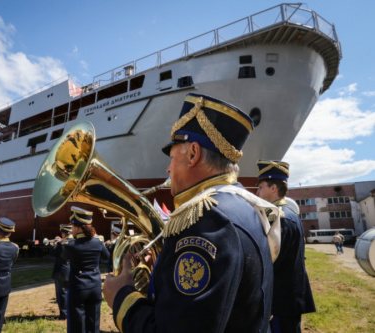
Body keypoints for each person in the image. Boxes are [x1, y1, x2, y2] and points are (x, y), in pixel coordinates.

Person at [103, 93, 279, 333]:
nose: (168, 168)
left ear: (194, 154)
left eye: (173, 157)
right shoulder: (246, 206)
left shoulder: (207, 219)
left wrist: (122, 297)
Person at [256, 160, 316, 333]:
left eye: (261, 187)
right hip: (289, 295)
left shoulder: (277, 217)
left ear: (273, 188)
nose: (257, 193)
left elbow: (270, 261)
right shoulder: (289, 213)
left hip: (280, 298)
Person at [62, 206, 109, 333]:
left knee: (77, 324)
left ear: (78, 227)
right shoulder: (98, 242)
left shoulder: (71, 245)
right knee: (93, 323)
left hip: (78, 287)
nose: (71, 229)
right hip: (95, 285)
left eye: (72, 226)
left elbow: (63, 257)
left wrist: (68, 239)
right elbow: (107, 256)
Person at [49, 224, 73, 320]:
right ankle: (70, 312)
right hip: (71, 270)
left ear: (64, 233)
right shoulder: (74, 241)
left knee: (61, 294)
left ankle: (64, 314)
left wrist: (54, 244)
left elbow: (53, 253)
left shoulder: (62, 244)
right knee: (70, 292)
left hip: (61, 271)